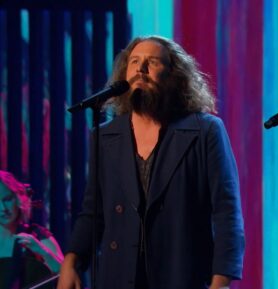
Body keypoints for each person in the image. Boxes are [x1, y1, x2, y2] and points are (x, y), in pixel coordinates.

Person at [58, 36, 245, 289]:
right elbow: (93, 211)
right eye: (134, 61)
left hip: (181, 274)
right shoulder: (105, 136)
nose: (141, 69)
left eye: (152, 62)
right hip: (119, 276)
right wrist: (71, 261)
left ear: (173, 76)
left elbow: (227, 212)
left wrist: (221, 282)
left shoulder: (205, 131)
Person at [0, 170, 63, 288]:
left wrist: (43, 252)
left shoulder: (37, 235)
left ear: (18, 199)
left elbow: (67, 276)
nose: (3, 208)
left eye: (7, 199)